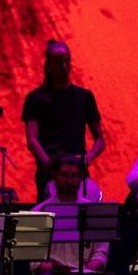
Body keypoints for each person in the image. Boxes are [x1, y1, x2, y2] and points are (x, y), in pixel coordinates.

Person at [31, 153, 117, 275]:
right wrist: (65, 272)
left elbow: (101, 253)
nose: (70, 180)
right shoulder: (39, 213)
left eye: (74, 176)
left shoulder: (94, 211)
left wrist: (85, 272)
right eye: (64, 175)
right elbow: (35, 260)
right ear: (54, 177)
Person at [22, 40, 105, 200]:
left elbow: (100, 140)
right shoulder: (35, 98)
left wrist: (87, 159)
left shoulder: (84, 97)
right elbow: (32, 139)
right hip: (48, 173)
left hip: (76, 172)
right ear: (49, 65)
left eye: (67, 61)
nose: (65, 66)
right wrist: (50, 166)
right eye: (60, 62)